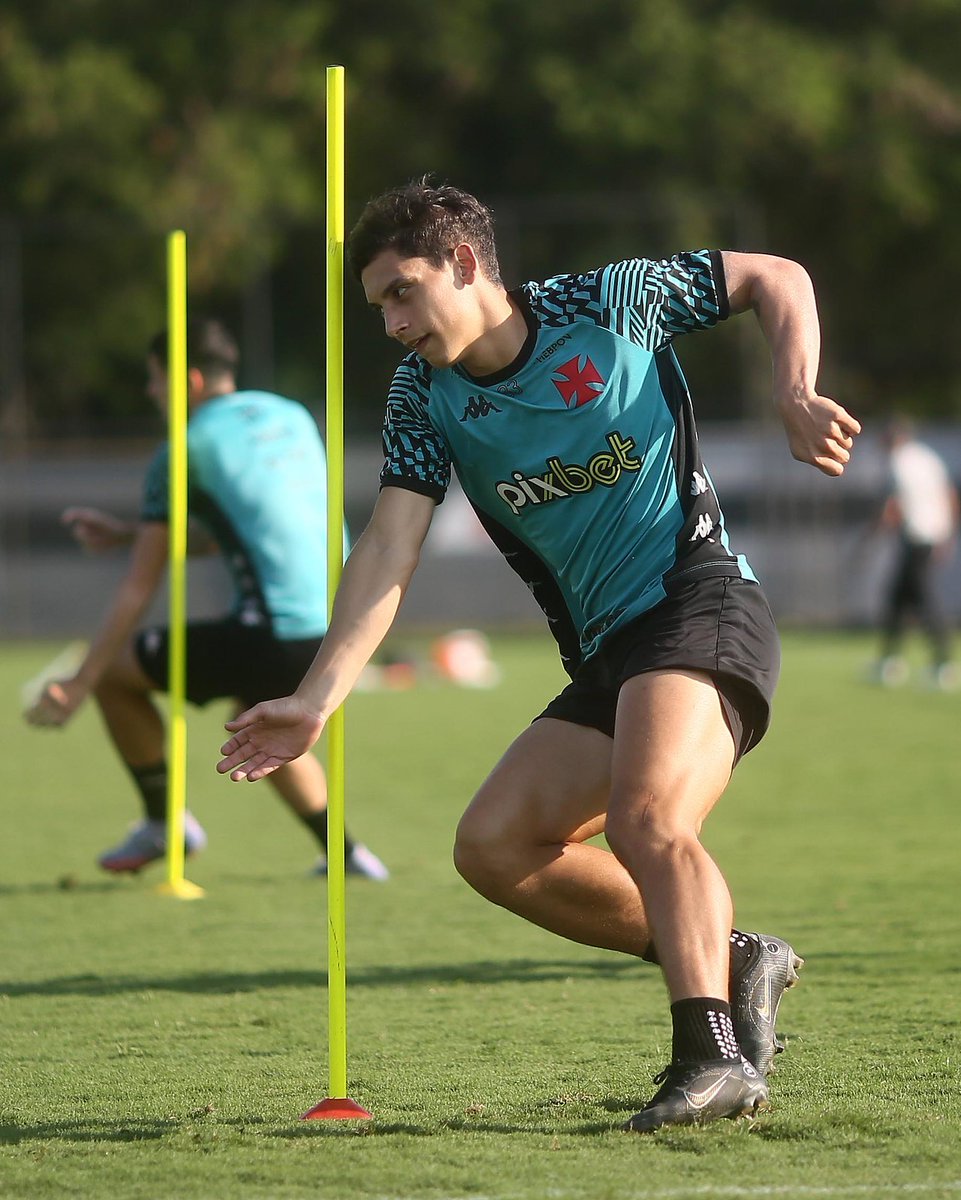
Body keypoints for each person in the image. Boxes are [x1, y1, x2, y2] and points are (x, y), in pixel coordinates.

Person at [217, 181, 861, 1131]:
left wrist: (793, 389)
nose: (391, 324)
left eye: (401, 292)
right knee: (494, 846)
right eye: (378, 305)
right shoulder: (422, 394)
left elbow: (777, 275)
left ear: (463, 265)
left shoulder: (609, 303)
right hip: (606, 653)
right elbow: (388, 546)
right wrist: (316, 699)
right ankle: (731, 958)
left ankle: (711, 1057)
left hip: (699, 601)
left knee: (648, 821)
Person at [25, 317, 388, 882]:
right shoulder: (289, 415)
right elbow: (254, 525)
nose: (151, 392)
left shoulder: (183, 448)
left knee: (116, 675)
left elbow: (138, 586)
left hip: (273, 632)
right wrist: (130, 533)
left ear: (189, 380)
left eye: (155, 379)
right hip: (342, 627)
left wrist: (79, 681)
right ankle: (347, 857)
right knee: (257, 719)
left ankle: (162, 823)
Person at [870, 416, 958, 688]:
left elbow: (894, 506)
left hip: (915, 538)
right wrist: (947, 535)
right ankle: (889, 660)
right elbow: (949, 495)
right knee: (899, 598)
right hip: (932, 536)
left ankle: (943, 663)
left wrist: (874, 533)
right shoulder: (928, 459)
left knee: (924, 600)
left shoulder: (898, 462)